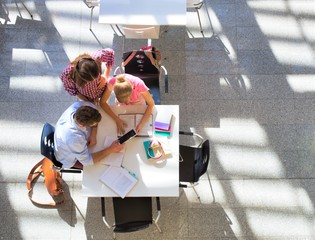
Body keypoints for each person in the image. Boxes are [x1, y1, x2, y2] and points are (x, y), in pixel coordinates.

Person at [54, 101, 123, 169]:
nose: (96, 125)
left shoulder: (80, 105)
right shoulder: (75, 139)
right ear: (83, 126)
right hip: (68, 158)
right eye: (93, 125)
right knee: (99, 168)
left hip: (67, 143)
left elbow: (94, 108)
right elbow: (87, 161)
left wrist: (93, 133)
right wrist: (110, 149)